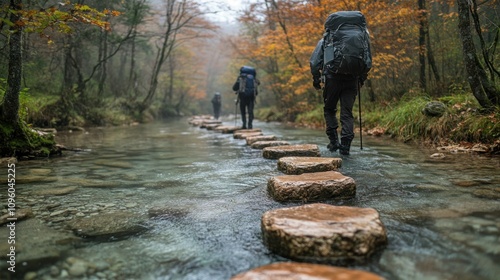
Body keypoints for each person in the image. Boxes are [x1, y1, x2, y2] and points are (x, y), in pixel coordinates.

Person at [309, 11, 371, 155]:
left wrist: (316, 79)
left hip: (332, 78)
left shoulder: (328, 38)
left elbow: (314, 62)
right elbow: (368, 62)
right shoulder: (363, 36)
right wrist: (361, 78)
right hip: (352, 79)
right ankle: (346, 146)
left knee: (329, 109)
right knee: (347, 113)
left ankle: (333, 142)